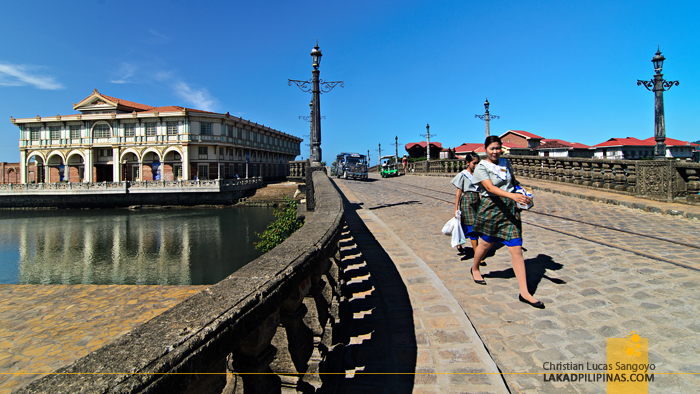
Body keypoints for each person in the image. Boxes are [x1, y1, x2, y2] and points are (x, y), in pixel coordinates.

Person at [470, 136, 543, 308]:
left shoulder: (505, 163)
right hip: (493, 208)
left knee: (516, 248)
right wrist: (512, 195)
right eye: (492, 148)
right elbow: (489, 188)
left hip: (510, 209)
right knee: (486, 244)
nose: (495, 152)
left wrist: (523, 193)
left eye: (498, 148)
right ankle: (475, 268)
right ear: (486, 149)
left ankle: (525, 293)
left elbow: (513, 182)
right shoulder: (482, 167)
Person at [451, 152, 484, 265]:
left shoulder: (478, 174)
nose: (476, 165)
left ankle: (459, 243)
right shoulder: (463, 175)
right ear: (468, 163)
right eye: (474, 163)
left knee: (472, 225)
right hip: (467, 202)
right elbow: (458, 192)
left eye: (477, 163)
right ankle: (477, 254)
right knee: (472, 227)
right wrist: (456, 209)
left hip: (477, 201)